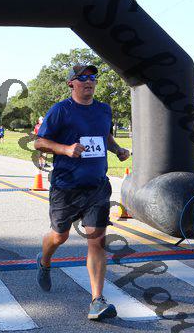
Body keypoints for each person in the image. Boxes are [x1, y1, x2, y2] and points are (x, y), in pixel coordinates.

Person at [33, 64, 130, 321]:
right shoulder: (60, 110)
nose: (89, 81)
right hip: (66, 186)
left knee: (96, 240)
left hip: (97, 185)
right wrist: (65, 149)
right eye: (83, 77)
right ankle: (44, 260)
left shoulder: (103, 109)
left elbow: (105, 136)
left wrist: (117, 150)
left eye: (93, 77)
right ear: (71, 83)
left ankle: (97, 300)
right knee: (59, 236)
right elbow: (39, 142)